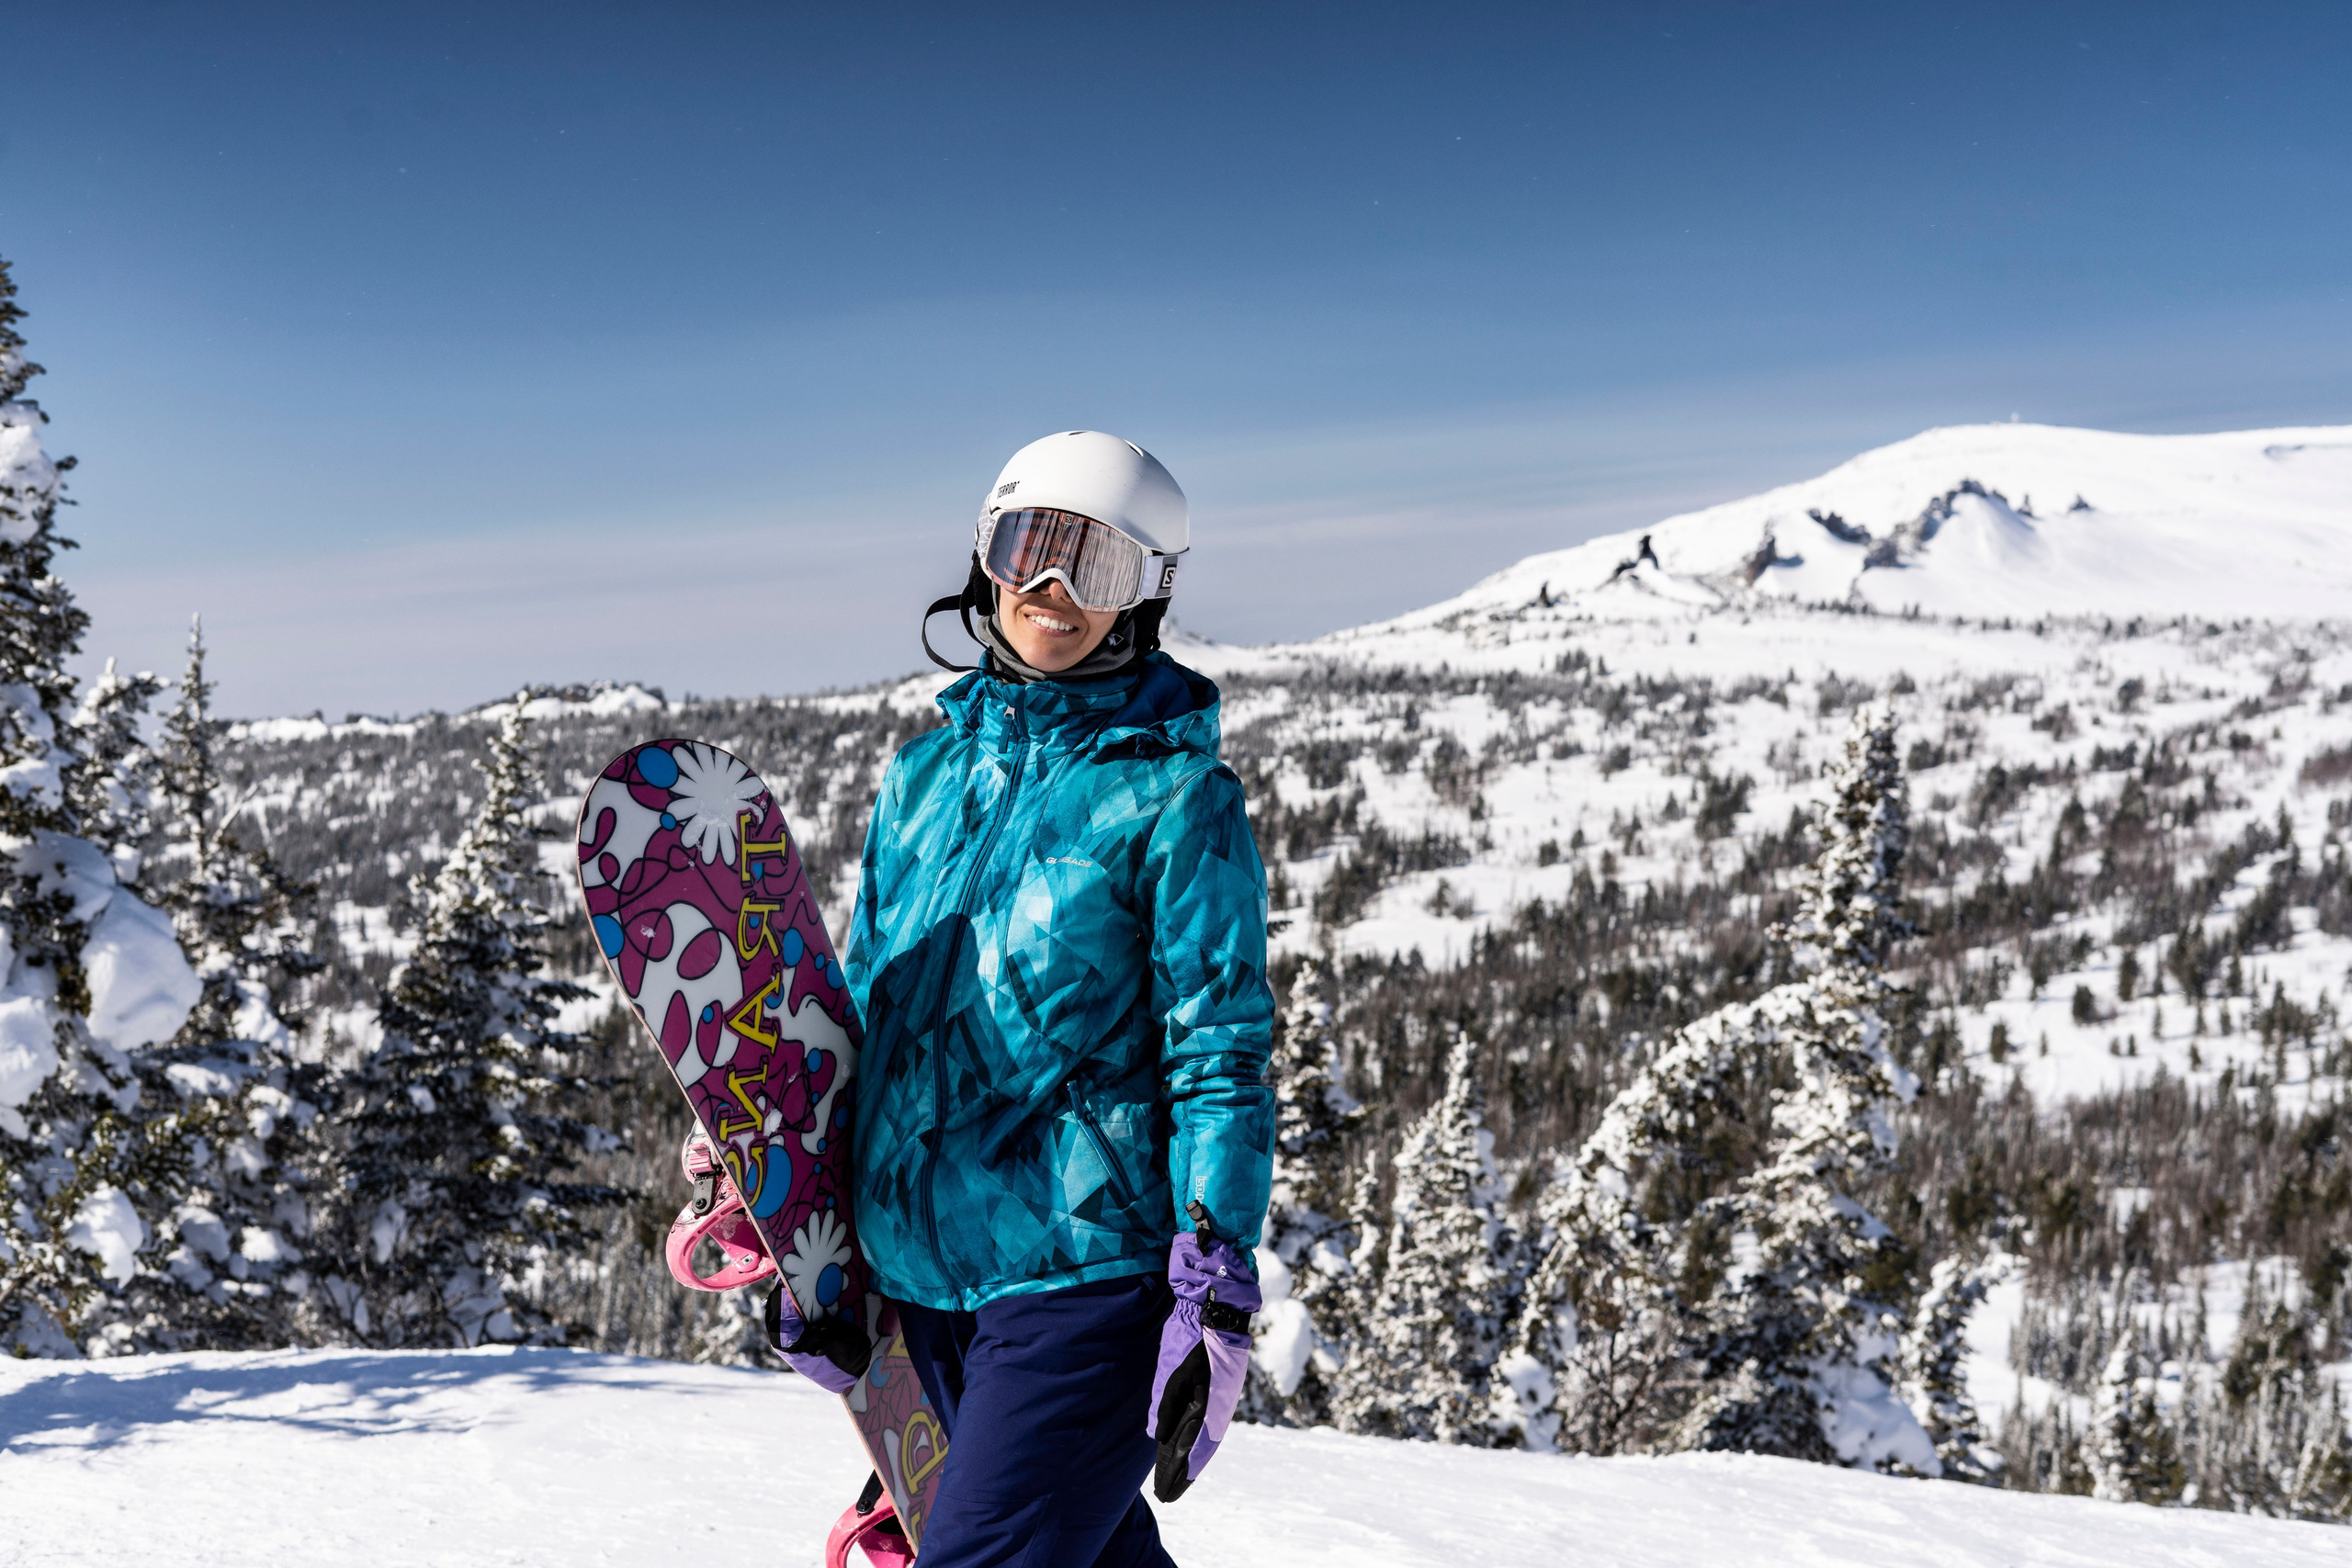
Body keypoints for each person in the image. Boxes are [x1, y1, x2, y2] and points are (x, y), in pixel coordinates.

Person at [833, 431, 1275, 1568]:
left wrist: (1214, 1273)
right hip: (920, 1280)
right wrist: (799, 1208)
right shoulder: (922, 778)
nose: (1051, 588)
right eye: (1027, 548)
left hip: (1087, 1283)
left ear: (1145, 594)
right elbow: (865, 1013)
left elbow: (1218, 1053)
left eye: (1096, 564)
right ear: (985, 559)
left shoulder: (1177, 799)